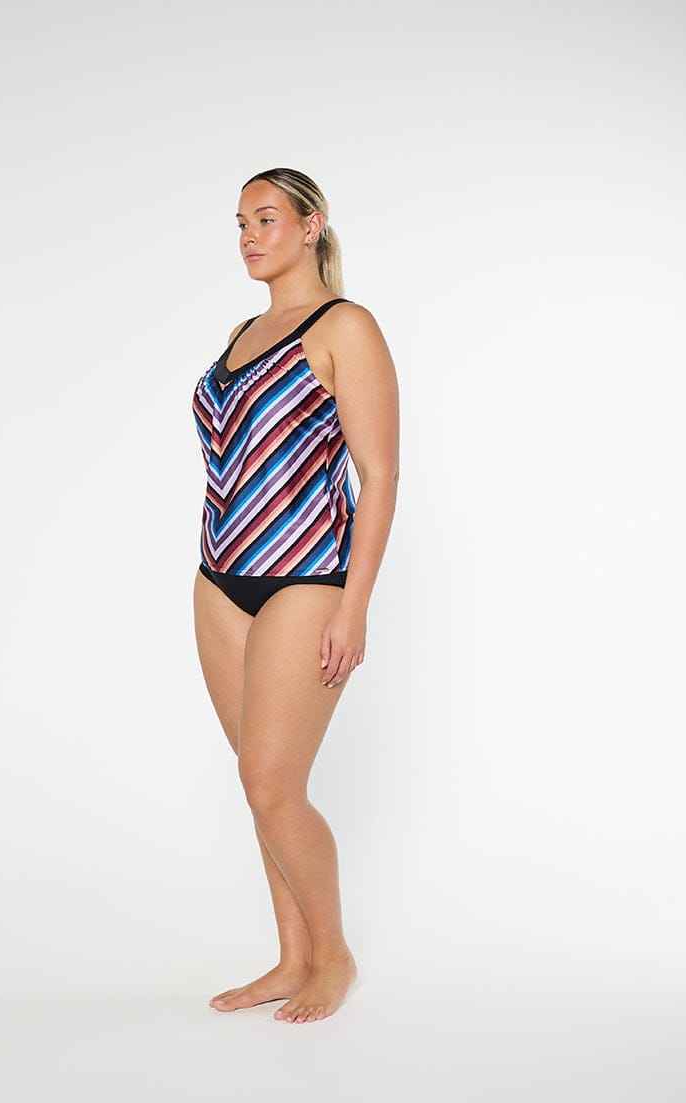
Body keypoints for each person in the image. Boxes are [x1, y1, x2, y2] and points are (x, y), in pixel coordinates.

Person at [192, 167, 399, 1023]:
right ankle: (290, 957)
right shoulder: (242, 330)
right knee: (256, 782)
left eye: (266, 217)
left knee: (276, 781)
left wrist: (354, 607)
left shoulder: (345, 326)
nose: (248, 234)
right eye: (240, 221)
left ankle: (334, 956)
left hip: (306, 576)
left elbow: (379, 473)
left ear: (311, 226)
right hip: (218, 576)